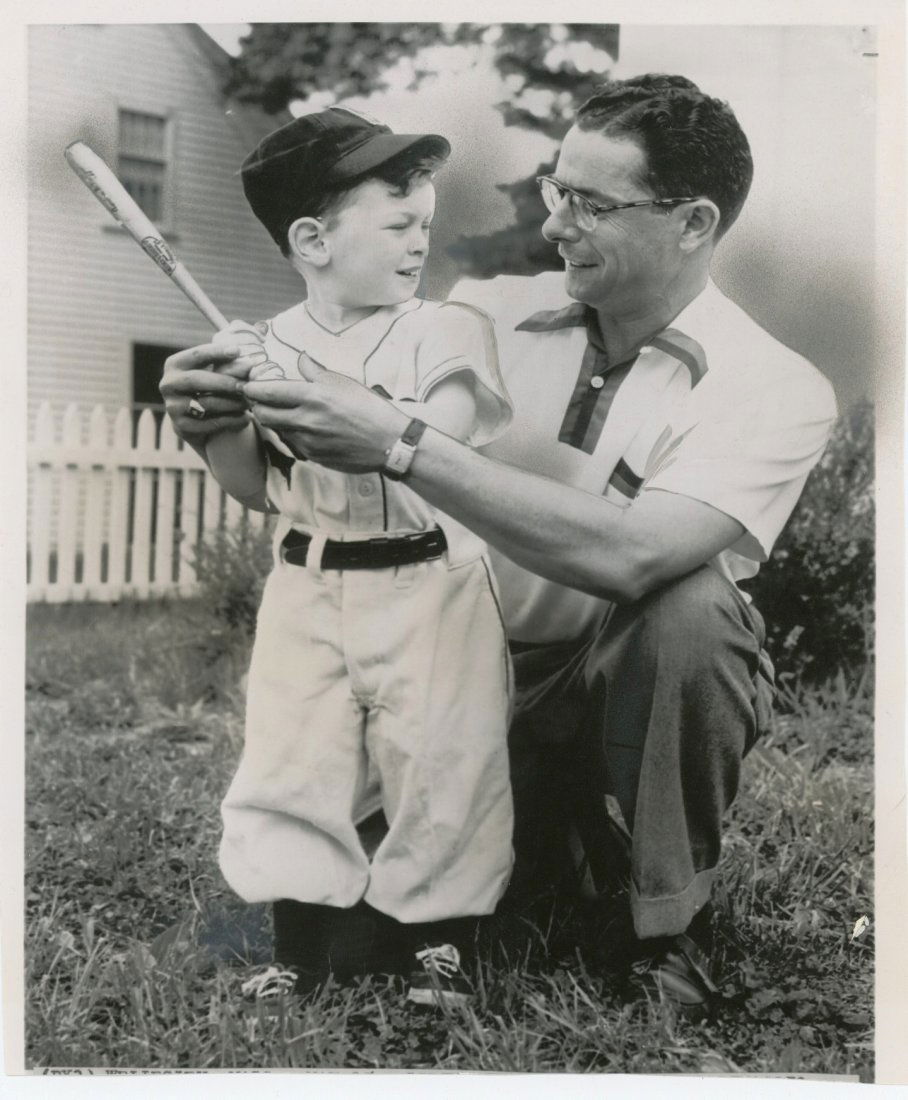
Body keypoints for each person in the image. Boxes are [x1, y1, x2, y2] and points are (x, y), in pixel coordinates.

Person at [162, 75, 837, 1014]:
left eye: (593, 205)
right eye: (558, 190)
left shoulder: (774, 383)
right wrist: (220, 417)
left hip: (604, 683)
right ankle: (551, 838)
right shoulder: (483, 310)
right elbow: (329, 484)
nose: (557, 226)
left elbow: (634, 557)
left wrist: (400, 442)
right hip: (442, 671)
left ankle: (663, 934)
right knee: (363, 937)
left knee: (692, 612)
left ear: (693, 221)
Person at [162, 107, 515, 1008]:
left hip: (428, 576)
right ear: (313, 241)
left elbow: (450, 443)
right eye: (398, 225)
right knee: (294, 756)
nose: (417, 245)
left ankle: (440, 946)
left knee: (442, 760)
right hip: (308, 579)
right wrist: (217, 421)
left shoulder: (448, 329)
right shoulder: (266, 343)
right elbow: (256, 487)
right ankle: (301, 948)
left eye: (424, 228)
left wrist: (318, 391)